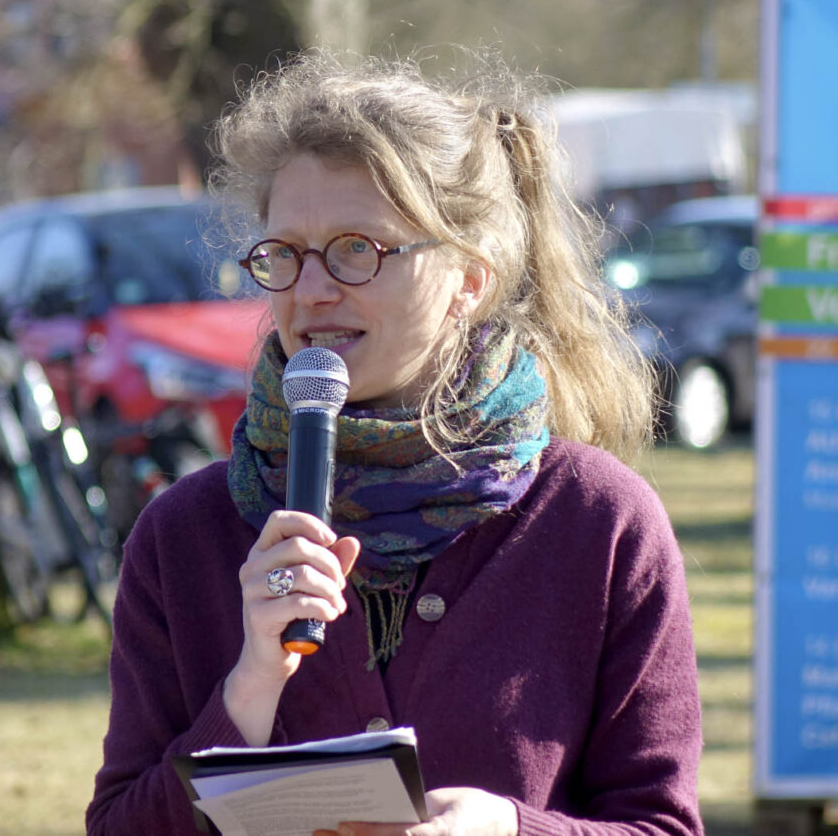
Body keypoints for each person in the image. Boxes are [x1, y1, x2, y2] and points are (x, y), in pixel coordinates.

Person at [85, 51, 703, 836]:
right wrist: (248, 689)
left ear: (468, 280)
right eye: (285, 255)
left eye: (357, 249)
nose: (311, 291)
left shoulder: (598, 523)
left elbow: (663, 824)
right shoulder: (184, 537)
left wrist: (508, 830)